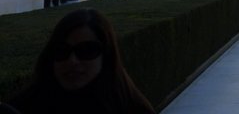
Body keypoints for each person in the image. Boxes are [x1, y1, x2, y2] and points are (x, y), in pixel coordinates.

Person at [4, 8, 155, 113]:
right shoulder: (23, 107)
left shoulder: (129, 107)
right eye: (62, 51)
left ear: (106, 54)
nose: (73, 61)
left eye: (86, 51)